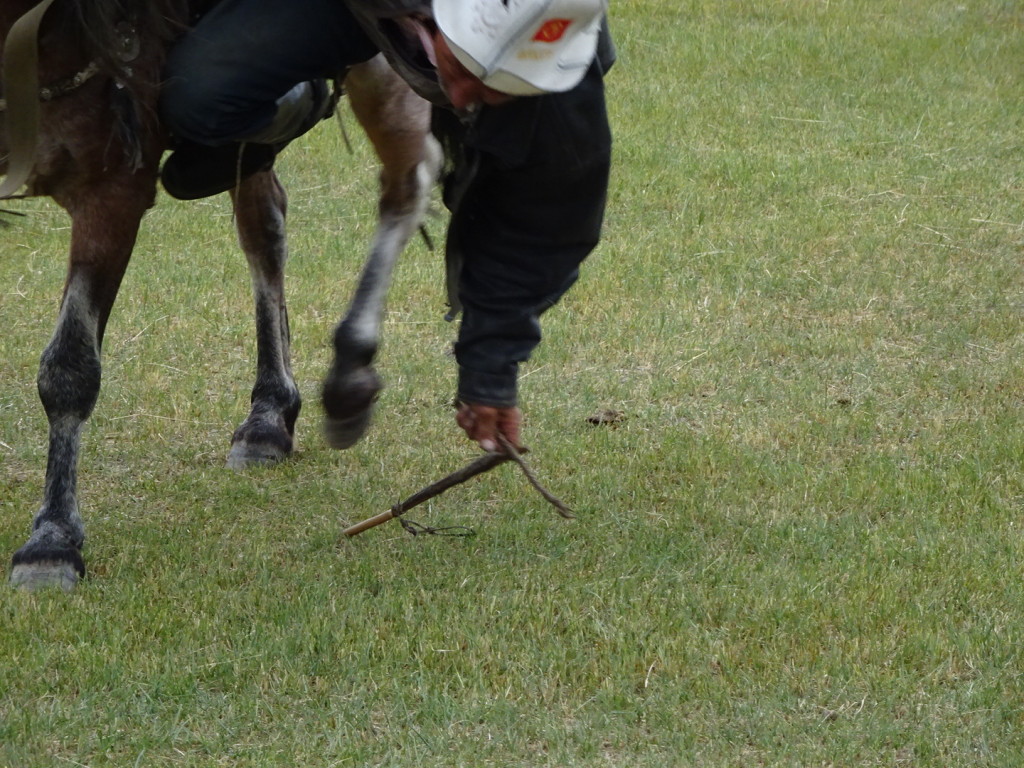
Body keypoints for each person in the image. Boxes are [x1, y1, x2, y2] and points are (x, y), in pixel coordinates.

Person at [159, 0, 614, 453]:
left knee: (524, 136)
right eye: (469, 73)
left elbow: (549, 215)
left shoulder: (552, 44)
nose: (458, 99)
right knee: (197, 96)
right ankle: (286, 102)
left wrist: (489, 371)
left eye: (491, 89)